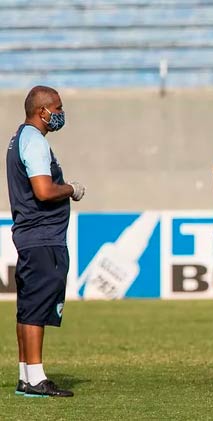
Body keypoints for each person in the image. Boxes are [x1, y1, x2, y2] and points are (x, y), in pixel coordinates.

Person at [6, 86, 85, 398]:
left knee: (27, 309)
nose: (61, 114)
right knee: (37, 308)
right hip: (42, 237)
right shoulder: (35, 142)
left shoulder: (19, 138)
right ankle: (36, 378)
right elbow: (43, 190)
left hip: (29, 235)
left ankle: (26, 375)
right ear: (42, 112)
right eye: (58, 108)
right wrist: (70, 188)